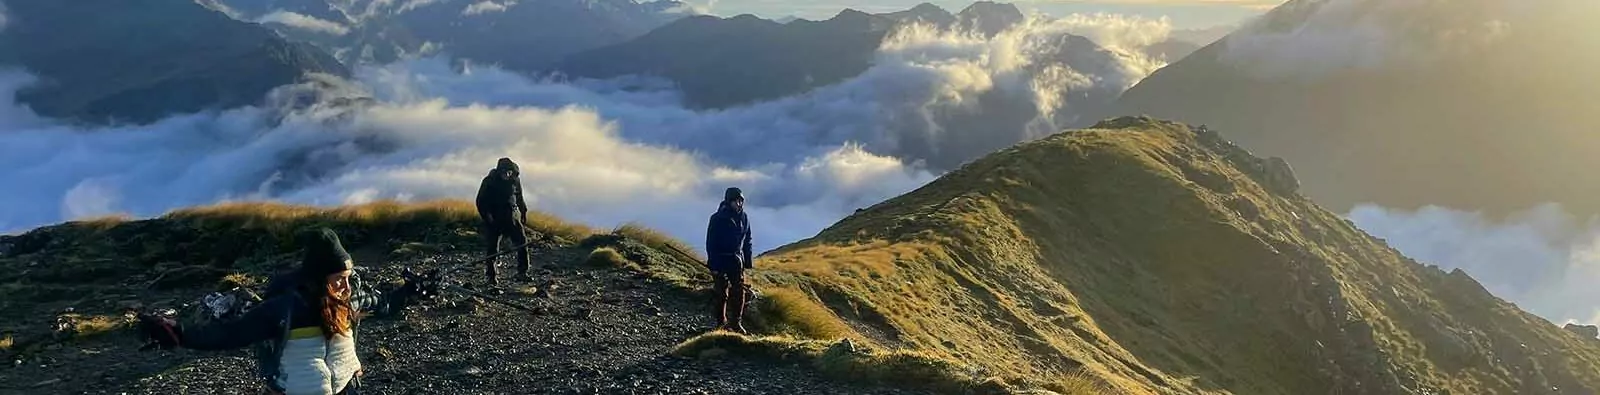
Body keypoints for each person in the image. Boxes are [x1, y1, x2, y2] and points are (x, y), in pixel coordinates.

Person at [136, 228, 428, 395]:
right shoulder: (287, 307)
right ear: (317, 278)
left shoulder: (348, 300)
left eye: (349, 278)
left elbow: (383, 304)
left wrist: (409, 291)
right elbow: (232, 333)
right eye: (338, 279)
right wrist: (179, 333)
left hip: (346, 387)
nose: (346, 286)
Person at [475, 157, 533, 285]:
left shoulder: (515, 180)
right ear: (499, 171)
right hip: (494, 219)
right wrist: (487, 217)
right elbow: (480, 201)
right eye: (505, 172)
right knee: (492, 249)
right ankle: (491, 276)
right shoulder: (489, 182)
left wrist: (523, 212)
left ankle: (522, 272)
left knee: (522, 243)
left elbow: (519, 197)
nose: (507, 174)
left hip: (512, 217)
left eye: (509, 172)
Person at [705, 187, 754, 333]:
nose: (739, 204)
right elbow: (711, 243)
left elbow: (747, 240)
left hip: (736, 261)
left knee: (739, 292)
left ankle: (736, 323)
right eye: (736, 201)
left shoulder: (744, 217)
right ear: (728, 201)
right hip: (720, 259)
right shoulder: (717, 218)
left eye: (741, 201)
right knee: (721, 293)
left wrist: (748, 261)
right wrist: (713, 264)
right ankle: (721, 323)